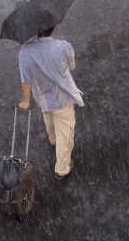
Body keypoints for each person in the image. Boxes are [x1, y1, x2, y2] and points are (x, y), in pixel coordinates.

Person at [17, 26, 84, 180]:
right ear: (52, 28)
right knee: (65, 134)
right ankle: (62, 168)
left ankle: (52, 139)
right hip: (62, 99)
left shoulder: (24, 52)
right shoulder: (64, 47)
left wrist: (26, 100)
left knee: (48, 116)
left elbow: (25, 80)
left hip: (42, 98)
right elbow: (71, 66)